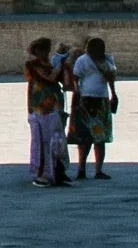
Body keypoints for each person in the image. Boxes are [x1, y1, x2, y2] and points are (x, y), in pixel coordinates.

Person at [69, 37, 117, 179]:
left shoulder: (108, 60)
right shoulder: (83, 60)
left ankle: (98, 170)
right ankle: (82, 168)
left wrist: (113, 94)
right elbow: (75, 78)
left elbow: (111, 79)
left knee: (100, 136)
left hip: (102, 99)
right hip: (86, 99)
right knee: (85, 135)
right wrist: (77, 93)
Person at [23, 39, 66, 184]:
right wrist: (58, 67)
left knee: (57, 139)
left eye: (45, 50)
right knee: (41, 141)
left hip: (54, 105)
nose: (43, 53)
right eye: (40, 50)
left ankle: (58, 170)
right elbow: (49, 79)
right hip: (39, 107)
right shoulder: (32, 65)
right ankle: (41, 172)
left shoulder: (51, 64)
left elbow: (64, 81)